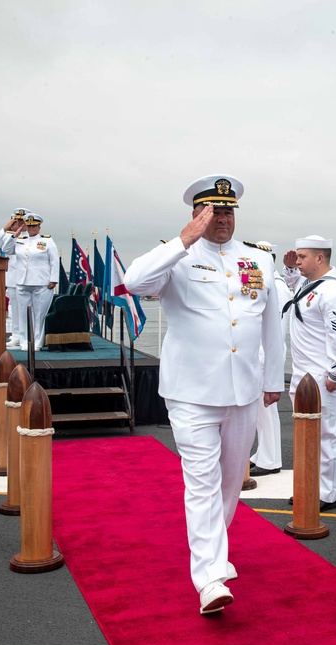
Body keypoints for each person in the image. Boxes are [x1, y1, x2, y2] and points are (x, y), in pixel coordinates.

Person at [123, 174, 284, 616]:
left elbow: (271, 324)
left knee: (232, 480)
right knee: (203, 482)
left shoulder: (259, 260)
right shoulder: (176, 257)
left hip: (244, 391)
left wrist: (273, 379)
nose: (222, 219)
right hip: (192, 393)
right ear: (197, 214)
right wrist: (182, 240)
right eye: (212, 211)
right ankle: (209, 575)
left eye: (228, 210)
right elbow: (133, 281)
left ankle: (215, 549)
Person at [280, 236, 336, 510]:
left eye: (302, 257)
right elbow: (296, 289)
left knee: (324, 435)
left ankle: (325, 493)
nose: (297, 261)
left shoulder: (333, 293)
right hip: (303, 375)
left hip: (322, 379)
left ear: (319, 258)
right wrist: (290, 269)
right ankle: (308, 485)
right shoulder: (313, 286)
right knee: (305, 434)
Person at [249, 241, 292, 477]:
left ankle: (270, 460)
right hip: (260, 354)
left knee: (265, 410)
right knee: (260, 412)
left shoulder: (277, 287)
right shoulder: (269, 283)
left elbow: (274, 329)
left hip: (266, 354)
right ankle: (264, 454)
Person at [1, 213, 58, 351]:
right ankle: (24, 341)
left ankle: (37, 342)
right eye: (29, 226)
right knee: (22, 313)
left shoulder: (47, 241)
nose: (32, 229)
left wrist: (53, 279)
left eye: (34, 226)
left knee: (39, 314)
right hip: (22, 281)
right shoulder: (20, 240)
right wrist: (14, 235)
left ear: (39, 227)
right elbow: (6, 249)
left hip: (41, 282)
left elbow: (54, 261)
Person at [0, 208, 30, 348]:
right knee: (14, 309)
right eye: (17, 221)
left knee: (26, 308)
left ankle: (26, 336)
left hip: (27, 278)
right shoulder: (10, 236)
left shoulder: (33, 236)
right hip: (13, 278)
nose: (20, 224)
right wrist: (5, 229)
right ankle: (16, 336)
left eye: (22, 221)